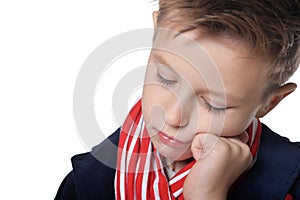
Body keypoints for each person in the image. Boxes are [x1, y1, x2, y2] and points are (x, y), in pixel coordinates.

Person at [55, 1, 300, 199]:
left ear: (269, 103)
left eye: (214, 105)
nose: (172, 116)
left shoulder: (291, 184)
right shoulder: (84, 184)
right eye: (165, 78)